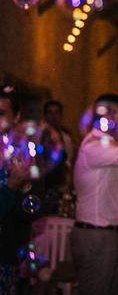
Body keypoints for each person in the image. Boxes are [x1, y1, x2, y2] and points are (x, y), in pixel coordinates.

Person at [70, 93, 118, 295]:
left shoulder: (112, 144)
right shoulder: (93, 146)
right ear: (108, 117)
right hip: (96, 236)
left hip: (110, 235)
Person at [0, 86, 35, 294]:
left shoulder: (20, 156)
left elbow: (31, 211)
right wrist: (12, 186)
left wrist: (26, 185)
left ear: (17, 116)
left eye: (1, 113)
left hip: (7, 256)